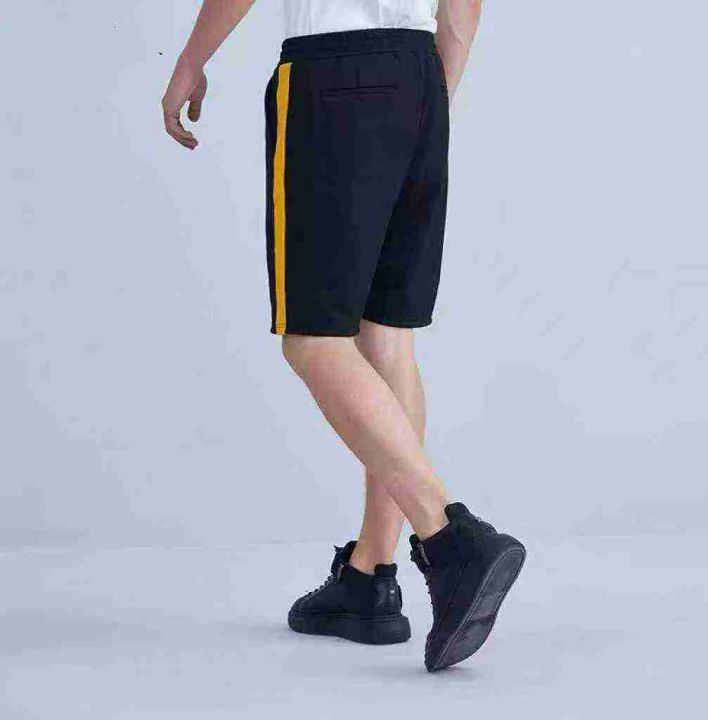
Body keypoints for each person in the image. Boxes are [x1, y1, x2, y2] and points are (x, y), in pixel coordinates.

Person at [163, 0, 525, 672]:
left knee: (313, 339)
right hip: (422, 76)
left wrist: (191, 60)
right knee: (386, 335)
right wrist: (424, 97)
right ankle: (369, 579)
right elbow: (462, 12)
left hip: (333, 77)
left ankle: (449, 537)